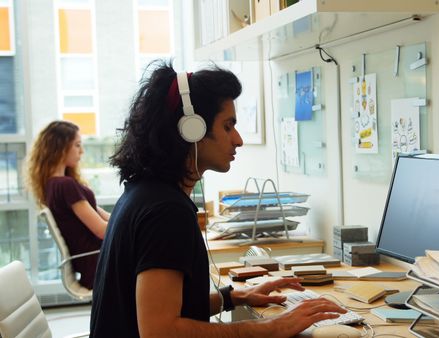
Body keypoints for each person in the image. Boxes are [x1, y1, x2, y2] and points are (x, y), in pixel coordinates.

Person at [89, 60, 345, 338]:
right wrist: (271, 327)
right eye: (228, 126)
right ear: (192, 129)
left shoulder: (144, 193)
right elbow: (159, 331)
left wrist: (232, 297)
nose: (238, 140)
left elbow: (166, 307)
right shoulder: (166, 213)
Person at [26, 120, 110, 289]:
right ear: (61, 148)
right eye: (77, 145)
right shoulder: (65, 185)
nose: (82, 151)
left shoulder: (52, 185)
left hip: (94, 262)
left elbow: (99, 214)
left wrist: (130, 220)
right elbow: (101, 230)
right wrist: (133, 228)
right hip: (100, 265)